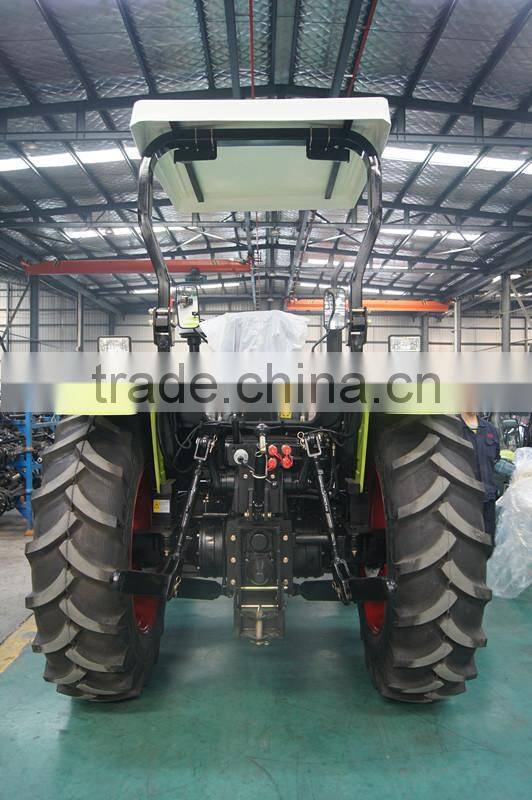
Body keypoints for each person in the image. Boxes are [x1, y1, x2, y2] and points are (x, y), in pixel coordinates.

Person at [460, 412, 500, 545]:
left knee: (489, 545)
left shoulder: (491, 430)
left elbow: (496, 461)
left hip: (488, 500)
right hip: (463, 501)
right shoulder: (453, 429)